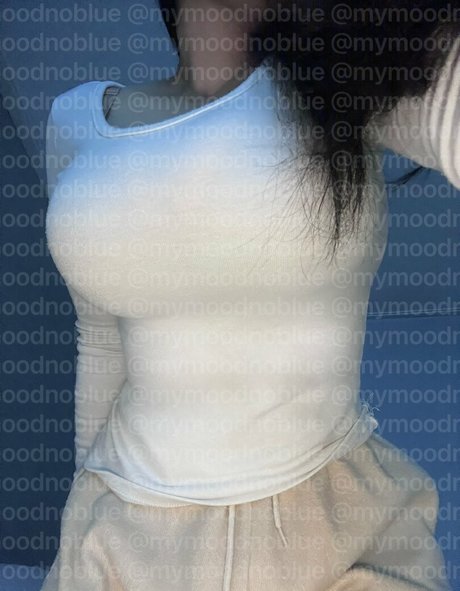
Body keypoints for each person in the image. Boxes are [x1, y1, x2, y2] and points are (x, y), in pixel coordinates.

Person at [40, 1, 459, 589]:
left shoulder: (347, 77)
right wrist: (80, 511)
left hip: (331, 532)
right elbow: (102, 339)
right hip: (120, 532)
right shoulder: (75, 118)